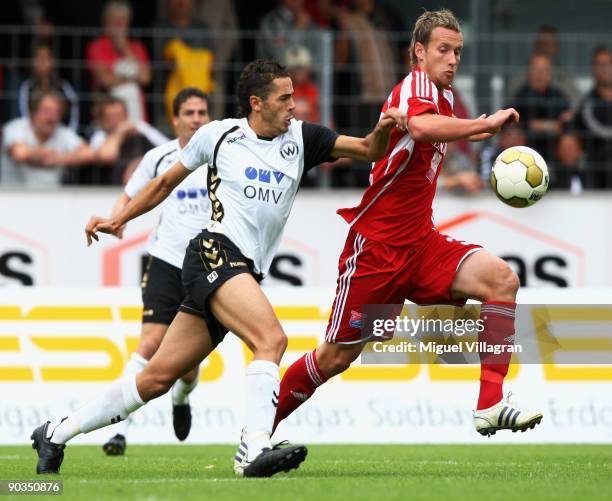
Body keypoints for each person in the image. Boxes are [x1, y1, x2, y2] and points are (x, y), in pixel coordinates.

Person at [31, 59, 408, 477]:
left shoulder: (304, 138)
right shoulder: (219, 135)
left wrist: (386, 128)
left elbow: (369, 150)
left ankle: (55, 432)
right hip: (213, 252)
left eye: (293, 97)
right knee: (271, 339)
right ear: (256, 103)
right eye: (284, 98)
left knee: (156, 380)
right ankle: (252, 451)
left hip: (241, 268)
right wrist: (119, 219)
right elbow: (163, 184)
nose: (293, 106)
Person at [271, 9, 544, 438]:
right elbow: (418, 127)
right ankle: (257, 430)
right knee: (334, 358)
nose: (452, 60)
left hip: (420, 244)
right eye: (443, 50)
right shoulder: (414, 87)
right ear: (419, 52)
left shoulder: (445, 98)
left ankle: (490, 402)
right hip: (376, 250)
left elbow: (435, 135)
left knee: (501, 280)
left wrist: (478, 138)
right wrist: (483, 123)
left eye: (457, 51)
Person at [101, 88, 211, 456]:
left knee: (187, 368)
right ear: (175, 118)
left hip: (206, 267)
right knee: (149, 343)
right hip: (164, 261)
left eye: (202, 112)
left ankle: (181, 400)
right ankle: (119, 428)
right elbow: (129, 195)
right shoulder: (159, 157)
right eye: (189, 112)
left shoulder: (222, 156)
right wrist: (118, 220)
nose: (197, 118)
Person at [1, 90, 95, 187]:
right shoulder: (15, 127)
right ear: (34, 112)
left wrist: (60, 159)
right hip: (12, 197)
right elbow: (19, 153)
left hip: (51, 198)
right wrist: (41, 155)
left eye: (56, 112)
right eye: (46, 111)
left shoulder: (62, 132)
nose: (51, 118)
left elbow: (89, 153)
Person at [86, 0, 151, 122]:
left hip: (137, 116)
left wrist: (124, 48)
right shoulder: (97, 47)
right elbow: (105, 80)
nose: (119, 25)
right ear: (105, 22)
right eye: (115, 21)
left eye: (122, 20)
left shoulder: (137, 47)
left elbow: (145, 77)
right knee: (130, 89)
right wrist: (132, 79)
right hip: (107, 112)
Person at [509, 52, 571, 162]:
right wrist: (550, 125)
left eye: (544, 70)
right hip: (525, 152)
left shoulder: (559, 97)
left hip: (554, 151)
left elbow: (566, 122)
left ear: (551, 73)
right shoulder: (520, 97)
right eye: (536, 69)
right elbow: (516, 124)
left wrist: (537, 125)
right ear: (528, 73)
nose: (540, 74)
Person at [571, 46, 612, 189]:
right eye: (599, 65)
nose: (604, 69)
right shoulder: (585, 104)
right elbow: (576, 136)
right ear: (593, 69)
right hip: (595, 169)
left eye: (608, 64)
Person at [18, 43, 79, 131]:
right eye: (39, 58)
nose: (43, 62)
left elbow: (73, 112)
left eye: (46, 58)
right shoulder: (27, 87)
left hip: (60, 134)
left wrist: (68, 133)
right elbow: (23, 114)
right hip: (34, 134)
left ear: (53, 61)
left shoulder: (63, 86)